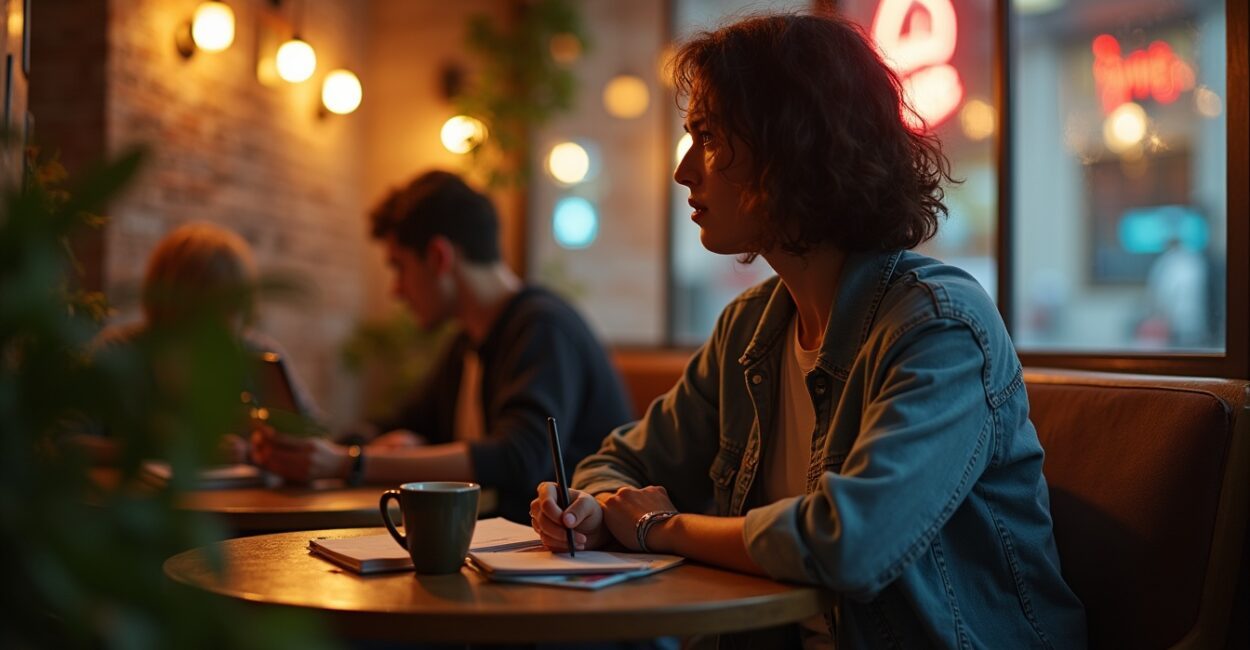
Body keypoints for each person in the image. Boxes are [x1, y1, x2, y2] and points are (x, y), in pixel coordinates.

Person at [531, 13, 1086, 648]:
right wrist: (587, 508)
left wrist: (660, 525)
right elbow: (617, 462)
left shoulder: (938, 325)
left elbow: (853, 543)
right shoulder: (750, 328)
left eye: (707, 136)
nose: (685, 170)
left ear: (793, 146)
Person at [252, 171, 632, 524]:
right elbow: (401, 422)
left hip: (576, 567)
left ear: (439, 257)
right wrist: (301, 453)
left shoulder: (542, 327)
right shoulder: (468, 342)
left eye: (399, 267)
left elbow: (520, 457)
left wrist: (349, 465)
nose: (396, 290)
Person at [72, 221, 320, 465]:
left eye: (231, 304)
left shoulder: (261, 356)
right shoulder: (119, 353)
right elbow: (63, 445)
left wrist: (257, 452)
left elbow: (316, 442)